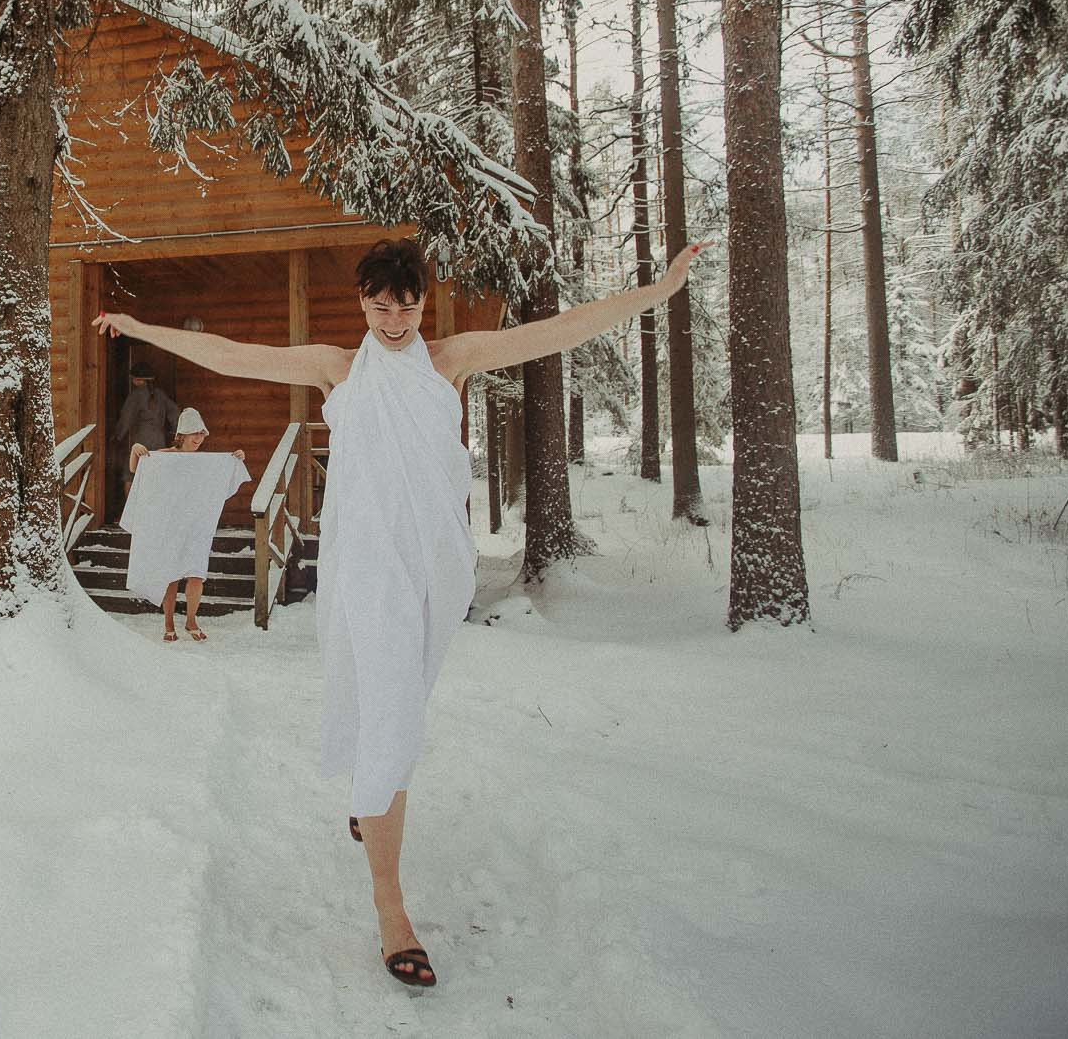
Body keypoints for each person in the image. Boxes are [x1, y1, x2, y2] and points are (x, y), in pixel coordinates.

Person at [95, 236, 708, 988]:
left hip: (431, 571)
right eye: (380, 304)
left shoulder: (448, 358)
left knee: (398, 706)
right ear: (362, 301)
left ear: (424, 298)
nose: (393, 318)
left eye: (407, 303)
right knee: (391, 716)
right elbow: (231, 352)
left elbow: (555, 331)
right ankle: (391, 906)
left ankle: (370, 793)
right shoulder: (338, 367)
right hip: (366, 568)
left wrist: (659, 291)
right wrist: (140, 328)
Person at [125, 408, 248, 643]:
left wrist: (235, 460)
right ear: (182, 434)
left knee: (196, 574)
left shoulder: (205, 463)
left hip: (196, 526)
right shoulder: (164, 456)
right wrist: (135, 450)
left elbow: (224, 476)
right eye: (195, 434)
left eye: (202, 434)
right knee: (171, 574)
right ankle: (169, 623)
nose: (199, 439)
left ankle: (191, 620)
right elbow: (137, 468)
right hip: (171, 525)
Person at [112, 363, 178, 496]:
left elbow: (126, 418)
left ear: (139, 380)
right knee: (155, 475)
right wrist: (177, 434)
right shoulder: (161, 394)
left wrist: (117, 436)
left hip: (141, 440)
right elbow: (175, 413)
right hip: (159, 440)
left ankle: (130, 510)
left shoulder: (136, 395)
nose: (132, 381)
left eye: (133, 378)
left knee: (130, 474)